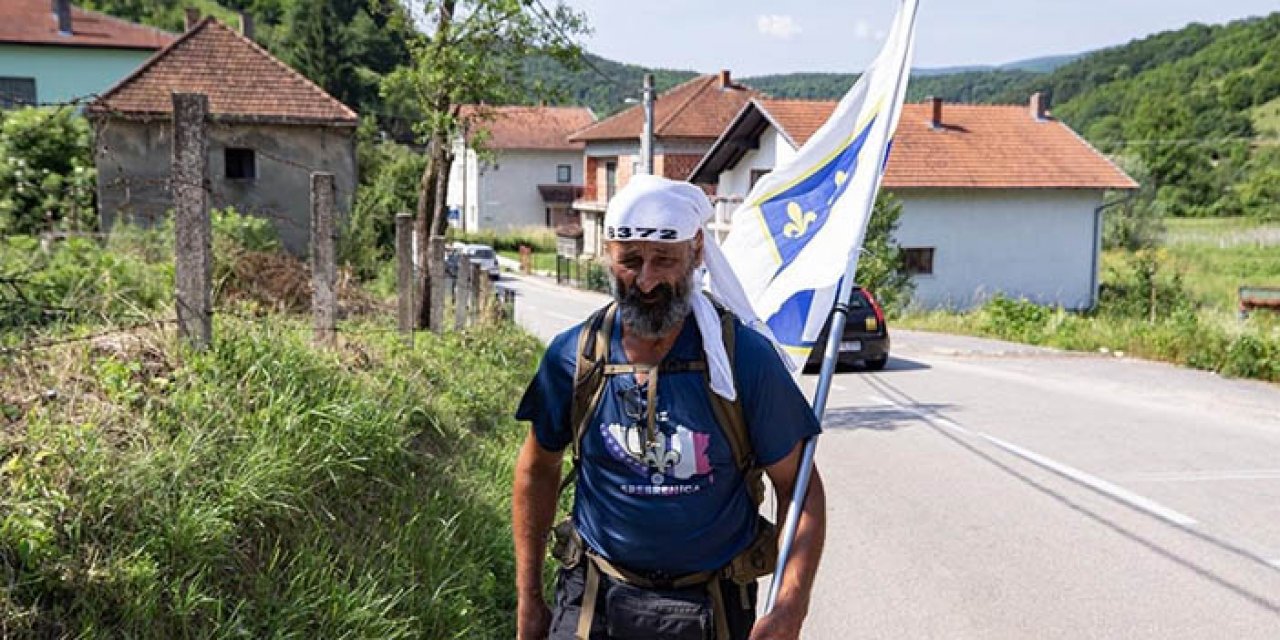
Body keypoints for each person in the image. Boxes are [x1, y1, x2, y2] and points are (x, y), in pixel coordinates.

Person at [512, 175, 826, 640]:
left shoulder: (744, 361)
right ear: (608, 255)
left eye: (664, 260)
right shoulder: (574, 357)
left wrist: (790, 607)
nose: (646, 279)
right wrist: (530, 600)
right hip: (592, 604)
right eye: (631, 261)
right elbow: (536, 471)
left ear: (697, 252)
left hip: (712, 609)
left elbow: (800, 492)